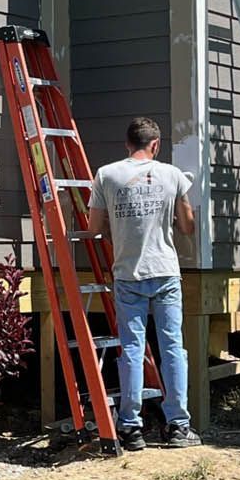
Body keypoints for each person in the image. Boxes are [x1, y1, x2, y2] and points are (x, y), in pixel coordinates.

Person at [86, 118, 199, 450]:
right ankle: (178, 426)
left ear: (127, 144)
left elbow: (94, 228)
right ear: (156, 145)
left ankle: (131, 428)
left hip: (127, 274)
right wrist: (182, 203)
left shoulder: (107, 175)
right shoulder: (172, 175)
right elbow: (188, 227)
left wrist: (113, 231)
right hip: (164, 272)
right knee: (172, 349)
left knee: (132, 350)